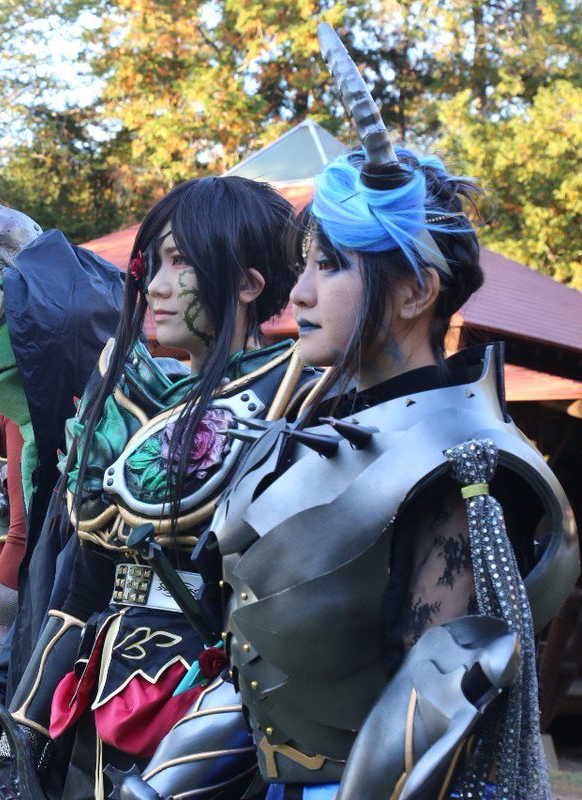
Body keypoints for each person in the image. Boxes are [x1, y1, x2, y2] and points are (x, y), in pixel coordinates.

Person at [206, 24, 578, 800]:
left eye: (331, 266)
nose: (300, 293)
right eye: (303, 265)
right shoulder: (335, 429)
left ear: (414, 292)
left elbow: (427, 712)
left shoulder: (466, 463)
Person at [17, 174, 312, 800]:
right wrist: (29, 716)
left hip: (219, 710)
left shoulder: (298, 399)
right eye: (154, 262)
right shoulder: (130, 392)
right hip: (98, 691)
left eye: (180, 262)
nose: (154, 285)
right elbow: (83, 581)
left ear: (248, 284)